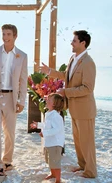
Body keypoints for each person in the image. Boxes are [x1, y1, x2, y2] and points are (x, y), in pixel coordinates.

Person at [40, 30, 97, 178]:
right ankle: (83, 166)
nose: (71, 43)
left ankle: (90, 171)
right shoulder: (73, 59)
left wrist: (66, 92)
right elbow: (66, 76)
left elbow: (88, 88)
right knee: (78, 140)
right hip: (74, 109)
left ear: (83, 43)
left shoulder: (88, 63)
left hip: (85, 110)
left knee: (87, 142)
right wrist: (49, 71)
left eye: (74, 41)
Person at [0, 24, 28, 180]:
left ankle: (7, 161)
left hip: (11, 98)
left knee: (10, 131)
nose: (5, 37)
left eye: (8, 34)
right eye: (3, 34)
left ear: (15, 36)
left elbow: (23, 80)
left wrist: (21, 100)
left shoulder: (22, 56)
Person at [30, 93, 65, 183]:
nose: (46, 101)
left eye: (49, 100)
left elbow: (56, 129)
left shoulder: (56, 116)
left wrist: (44, 133)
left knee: (55, 161)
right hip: (49, 143)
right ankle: (52, 174)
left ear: (54, 104)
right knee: (50, 160)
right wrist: (38, 125)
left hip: (56, 144)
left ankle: (58, 179)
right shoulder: (49, 114)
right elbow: (47, 125)